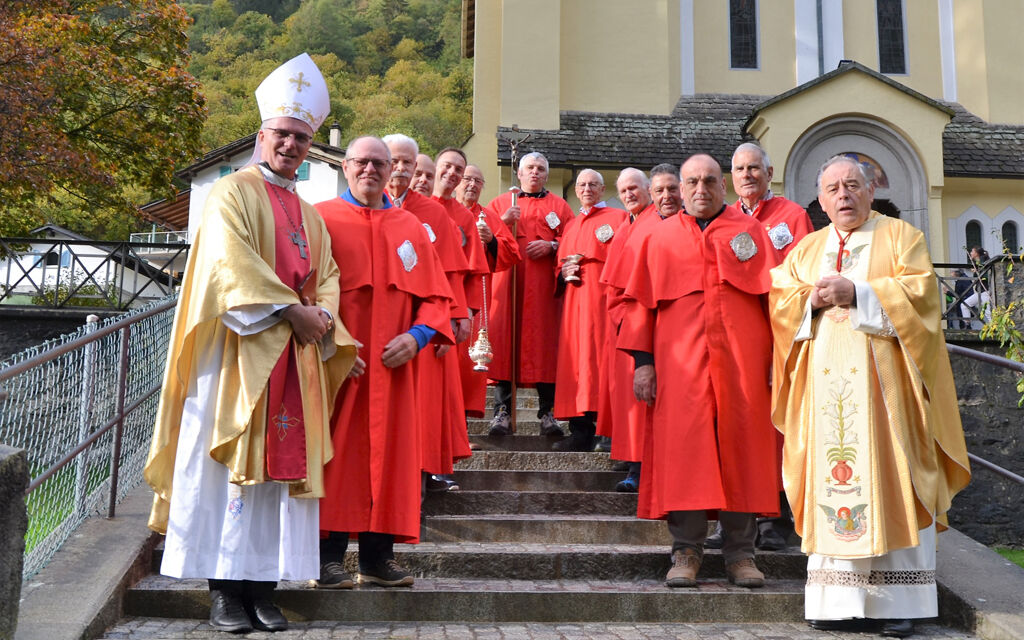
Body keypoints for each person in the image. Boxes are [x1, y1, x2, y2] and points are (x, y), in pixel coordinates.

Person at [144, 54, 357, 633]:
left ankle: (262, 589)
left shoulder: (310, 214)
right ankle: (223, 592)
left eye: (301, 137)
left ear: (310, 145)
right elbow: (227, 263)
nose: (290, 144)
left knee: (277, 484)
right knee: (227, 474)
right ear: (262, 135)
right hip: (236, 356)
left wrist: (321, 315)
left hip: (293, 359)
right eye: (282, 133)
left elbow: (329, 275)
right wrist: (291, 311)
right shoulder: (229, 193)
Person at [769, 155, 971, 637]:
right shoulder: (806, 249)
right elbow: (780, 301)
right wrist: (812, 299)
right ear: (820, 200)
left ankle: (899, 603)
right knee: (831, 479)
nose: (844, 195)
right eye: (833, 188)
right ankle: (836, 601)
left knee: (893, 476)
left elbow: (921, 295)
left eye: (852, 185)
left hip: (887, 396)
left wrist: (857, 293)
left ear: (871, 189)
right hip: (824, 398)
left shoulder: (902, 237)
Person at [619, 154, 782, 590]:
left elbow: (775, 304)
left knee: (741, 451)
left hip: (742, 365)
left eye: (709, 181)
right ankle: (686, 551)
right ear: (681, 186)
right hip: (680, 368)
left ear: (723, 185)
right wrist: (643, 364)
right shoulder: (659, 237)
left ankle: (741, 553)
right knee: (685, 453)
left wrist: (777, 360)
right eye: (691, 182)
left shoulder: (750, 232)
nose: (700, 189)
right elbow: (640, 305)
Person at [316, 136, 455, 590]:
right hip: (338, 368)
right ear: (345, 166)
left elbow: (436, 298)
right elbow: (302, 291)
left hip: (394, 372)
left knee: (392, 458)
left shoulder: (409, 226)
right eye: (362, 162)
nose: (371, 170)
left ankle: (378, 558)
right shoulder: (320, 219)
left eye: (380, 163)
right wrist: (334, 343)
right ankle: (326, 557)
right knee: (336, 457)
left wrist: (417, 338)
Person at [711, 142, 814, 552]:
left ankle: (775, 517)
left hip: (780, 336)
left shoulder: (793, 216)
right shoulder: (725, 219)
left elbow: (805, 277)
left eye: (754, 168)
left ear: (770, 173)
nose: (747, 175)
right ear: (730, 177)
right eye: (739, 169)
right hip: (736, 339)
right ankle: (735, 517)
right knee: (736, 428)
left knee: (776, 431)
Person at [382, 134, 472, 496]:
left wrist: (455, 316)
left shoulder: (434, 213)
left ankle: (419, 477)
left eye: (409, 163)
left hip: (424, 323)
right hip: (382, 320)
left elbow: (452, 270)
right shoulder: (371, 202)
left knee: (422, 403)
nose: (403, 169)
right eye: (397, 161)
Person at [485, 152, 573, 436]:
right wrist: (502, 220)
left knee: (544, 345)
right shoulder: (501, 203)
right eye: (530, 168)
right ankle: (502, 411)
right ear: (519, 173)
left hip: (543, 290)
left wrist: (552, 246)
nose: (535, 172)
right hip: (508, 284)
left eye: (540, 168)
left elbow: (573, 238)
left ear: (546, 174)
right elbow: (483, 236)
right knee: (505, 341)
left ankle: (548, 412)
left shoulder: (559, 206)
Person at [551, 169, 626, 451]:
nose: (586, 189)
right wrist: (562, 273)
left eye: (593, 184)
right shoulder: (571, 225)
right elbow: (558, 267)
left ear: (603, 189)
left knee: (603, 363)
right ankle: (580, 430)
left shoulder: (618, 218)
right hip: (575, 307)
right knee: (576, 365)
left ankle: (608, 430)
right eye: (582, 185)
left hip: (604, 303)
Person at [597, 167, 662, 492]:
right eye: (623, 191)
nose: (629, 195)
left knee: (644, 401)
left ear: (648, 189)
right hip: (623, 322)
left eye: (634, 188)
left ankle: (641, 467)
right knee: (629, 401)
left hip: (644, 322)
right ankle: (631, 458)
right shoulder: (626, 224)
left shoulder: (656, 222)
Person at [430, 146, 492, 484]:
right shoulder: (414, 208)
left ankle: (439, 465)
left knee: (445, 391)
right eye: (448, 167)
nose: (452, 174)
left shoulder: (465, 218)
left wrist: (466, 313)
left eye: (459, 169)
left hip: (449, 313)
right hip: (413, 311)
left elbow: (472, 272)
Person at [962, 246, 991, 328]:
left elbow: (986, 275)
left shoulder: (983, 261)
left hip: (985, 290)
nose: (971, 253)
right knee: (964, 305)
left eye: (972, 251)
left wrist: (977, 271)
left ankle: (995, 329)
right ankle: (967, 325)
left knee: (988, 312)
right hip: (980, 291)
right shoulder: (978, 263)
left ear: (977, 253)